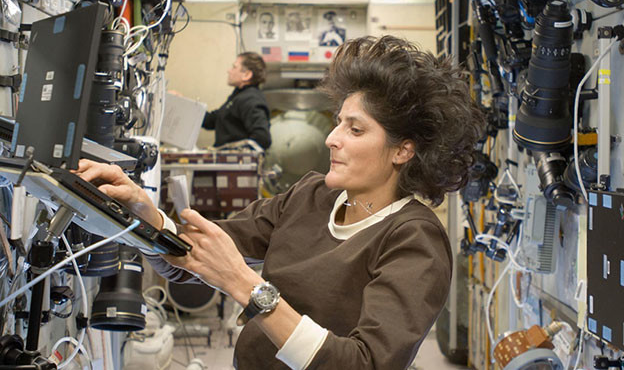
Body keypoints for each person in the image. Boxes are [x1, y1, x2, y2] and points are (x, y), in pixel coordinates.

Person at [76, 35, 484, 370]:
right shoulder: (311, 195)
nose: (332, 138)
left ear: (403, 150)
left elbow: (366, 363)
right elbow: (201, 252)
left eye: (355, 129)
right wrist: (145, 215)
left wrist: (244, 284)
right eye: (338, 122)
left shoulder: (414, 240)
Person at [202, 52, 271, 150]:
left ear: (246, 75)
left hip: (234, 160)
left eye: (234, 67)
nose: (229, 71)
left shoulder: (250, 99)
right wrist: (185, 106)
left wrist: (229, 152)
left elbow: (262, 138)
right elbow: (212, 121)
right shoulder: (238, 96)